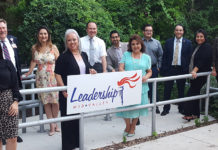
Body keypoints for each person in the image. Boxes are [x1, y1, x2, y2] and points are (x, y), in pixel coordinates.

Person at [55, 29, 96, 150]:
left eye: (74, 39)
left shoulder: (84, 54)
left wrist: (92, 71)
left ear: (78, 40)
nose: (72, 42)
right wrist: (63, 90)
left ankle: (78, 143)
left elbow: (86, 70)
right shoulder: (63, 57)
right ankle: (68, 146)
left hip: (81, 93)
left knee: (79, 118)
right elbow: (57, 74)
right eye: (69, 40)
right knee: (68, 120)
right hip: (68, 93)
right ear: (66, 43)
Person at [25, 26, 60, 136]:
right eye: (41, 34)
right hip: (41, 79)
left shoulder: (53, 47)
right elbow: (33, 61)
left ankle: (55, 122)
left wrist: (61, 77)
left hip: (53, 78)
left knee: (55, 102)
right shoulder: (34, 48)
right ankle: (51, 126)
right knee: (46, 102)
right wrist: (29, 72)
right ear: (38, 35)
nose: (43, 36)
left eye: (45, 33)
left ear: (48, 35)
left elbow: (59, 62)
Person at [116, 34, 152, 137]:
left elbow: (149, 71)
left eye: (137, 44)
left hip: (141, 86)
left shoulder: (146, 57)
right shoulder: (126, 55)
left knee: (137, 107)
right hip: (127, 86)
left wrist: (147, 76)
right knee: (125, 107)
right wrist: (127, 76)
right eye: (133, 44)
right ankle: (128, 125)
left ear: (141, 44)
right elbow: (121, 67)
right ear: (130, 46)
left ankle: (133, 126)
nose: (135, 46)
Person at [160, 24, 193, 116]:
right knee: (167, 90)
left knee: (181, 90)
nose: (179, 32)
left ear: (183, 32)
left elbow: (190, 58)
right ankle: (166, 108)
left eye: (180, 30)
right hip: (170, 69)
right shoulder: (168, 42)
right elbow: (165, 57)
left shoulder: (188, 43)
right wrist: (164, 69)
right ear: (174, 31)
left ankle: (181, 108)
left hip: (181, 70)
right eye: (177, 30)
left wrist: (187, 69)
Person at [0, 18, 23, 144]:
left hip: (14, 79)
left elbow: (16, 59)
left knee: (14, 108)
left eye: (3, 27)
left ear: (6, 28)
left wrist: (19, 76)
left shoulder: (13, 40)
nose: (2, 30)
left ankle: (14, 133)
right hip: (3, 80)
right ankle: (4, 135)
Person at [183, 29, 212, 121]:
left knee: (190, 94)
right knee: (195, 93)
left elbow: (202, 60)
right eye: (197, 36)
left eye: (201, 36)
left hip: (200, 75)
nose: (199, 38)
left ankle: (188, 114)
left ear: (205, 37)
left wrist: (194, 70)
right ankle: (195, 114)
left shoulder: (207, 47)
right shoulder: (197, 47)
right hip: (194, 75)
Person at [142, 24, 163, 114]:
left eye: (150, 30)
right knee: (142, 88)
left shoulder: (156, 42)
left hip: (153, 68)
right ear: (143, 32)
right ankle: (142, 106)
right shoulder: (139, 42)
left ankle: (155, 106)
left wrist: (158, 66)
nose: (149, 32)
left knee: (154, 88)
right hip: (142, 69)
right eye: (147, 30)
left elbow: (161, 55)